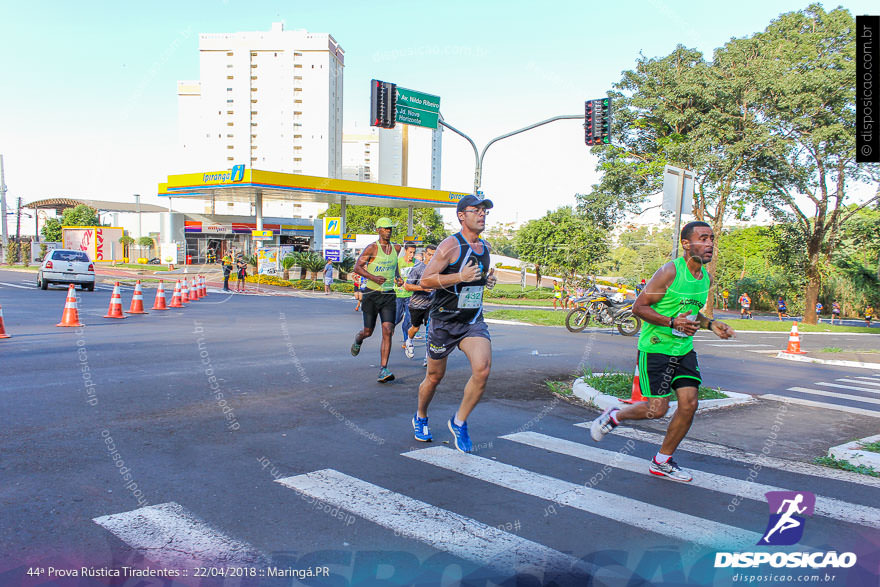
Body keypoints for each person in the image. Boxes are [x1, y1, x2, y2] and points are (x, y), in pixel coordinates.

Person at [590, 221, 735, 482]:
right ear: (686, 244)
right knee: (656, 410)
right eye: (703, 238)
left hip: (684, 350)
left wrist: (711, 324)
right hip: (656, 348)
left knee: (689, 404)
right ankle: (616, 414)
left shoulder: (706, 278)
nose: (710, 244)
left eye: (712, 238)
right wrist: (671, 322)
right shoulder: (670, 271)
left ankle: (662, 461)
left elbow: (693, 313)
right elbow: (639, 307)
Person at [414, 195, 497, 452]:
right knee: (434, 377)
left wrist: (485, 281)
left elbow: (474, 280)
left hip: (472, 321)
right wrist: (459, 276)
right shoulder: (450, 245)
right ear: (462, 215)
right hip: (443, 322)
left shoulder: (485, 248)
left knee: (482, 370)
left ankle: (459, 422)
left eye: (485, 211)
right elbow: (426, 281)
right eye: (476, 210)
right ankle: (421, 416)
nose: (482, 215)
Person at [351, 217, 404, 383]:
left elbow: (394, 265)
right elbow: (357, 267)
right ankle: (358, 339)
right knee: (368, 331)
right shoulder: (372, 248)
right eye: (385, 228)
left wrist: (397, 277)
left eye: (390, 228)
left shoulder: (396, 248)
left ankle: (383, 369)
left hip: (388, 295)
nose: (388, 231)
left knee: (388, 330)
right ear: (378, 230)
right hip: (371, 294)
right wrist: (373, 277)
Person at [404, 244, 437, 366]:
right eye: (429, 255)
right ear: (424, 255)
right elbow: (407, 286)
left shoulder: (439, 269)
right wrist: (423, 288)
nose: (431, 257)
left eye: (434, 255)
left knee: (431, 330)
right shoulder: (418, 269)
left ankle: (427, 357)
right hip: (417, 304)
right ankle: (409, 341)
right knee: (415, 328)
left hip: (432, 305)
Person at [395, 243, 417, 356]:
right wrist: (397, 281)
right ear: (406, 251)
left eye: (414, 252)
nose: (412, 255)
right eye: (410, 252)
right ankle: (389, 329)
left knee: (408, 320)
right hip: (399, 295)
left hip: (410, 296)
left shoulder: (415, 264)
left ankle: (406, 341)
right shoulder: (398, 263)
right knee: (397, 318)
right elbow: (393, 276)